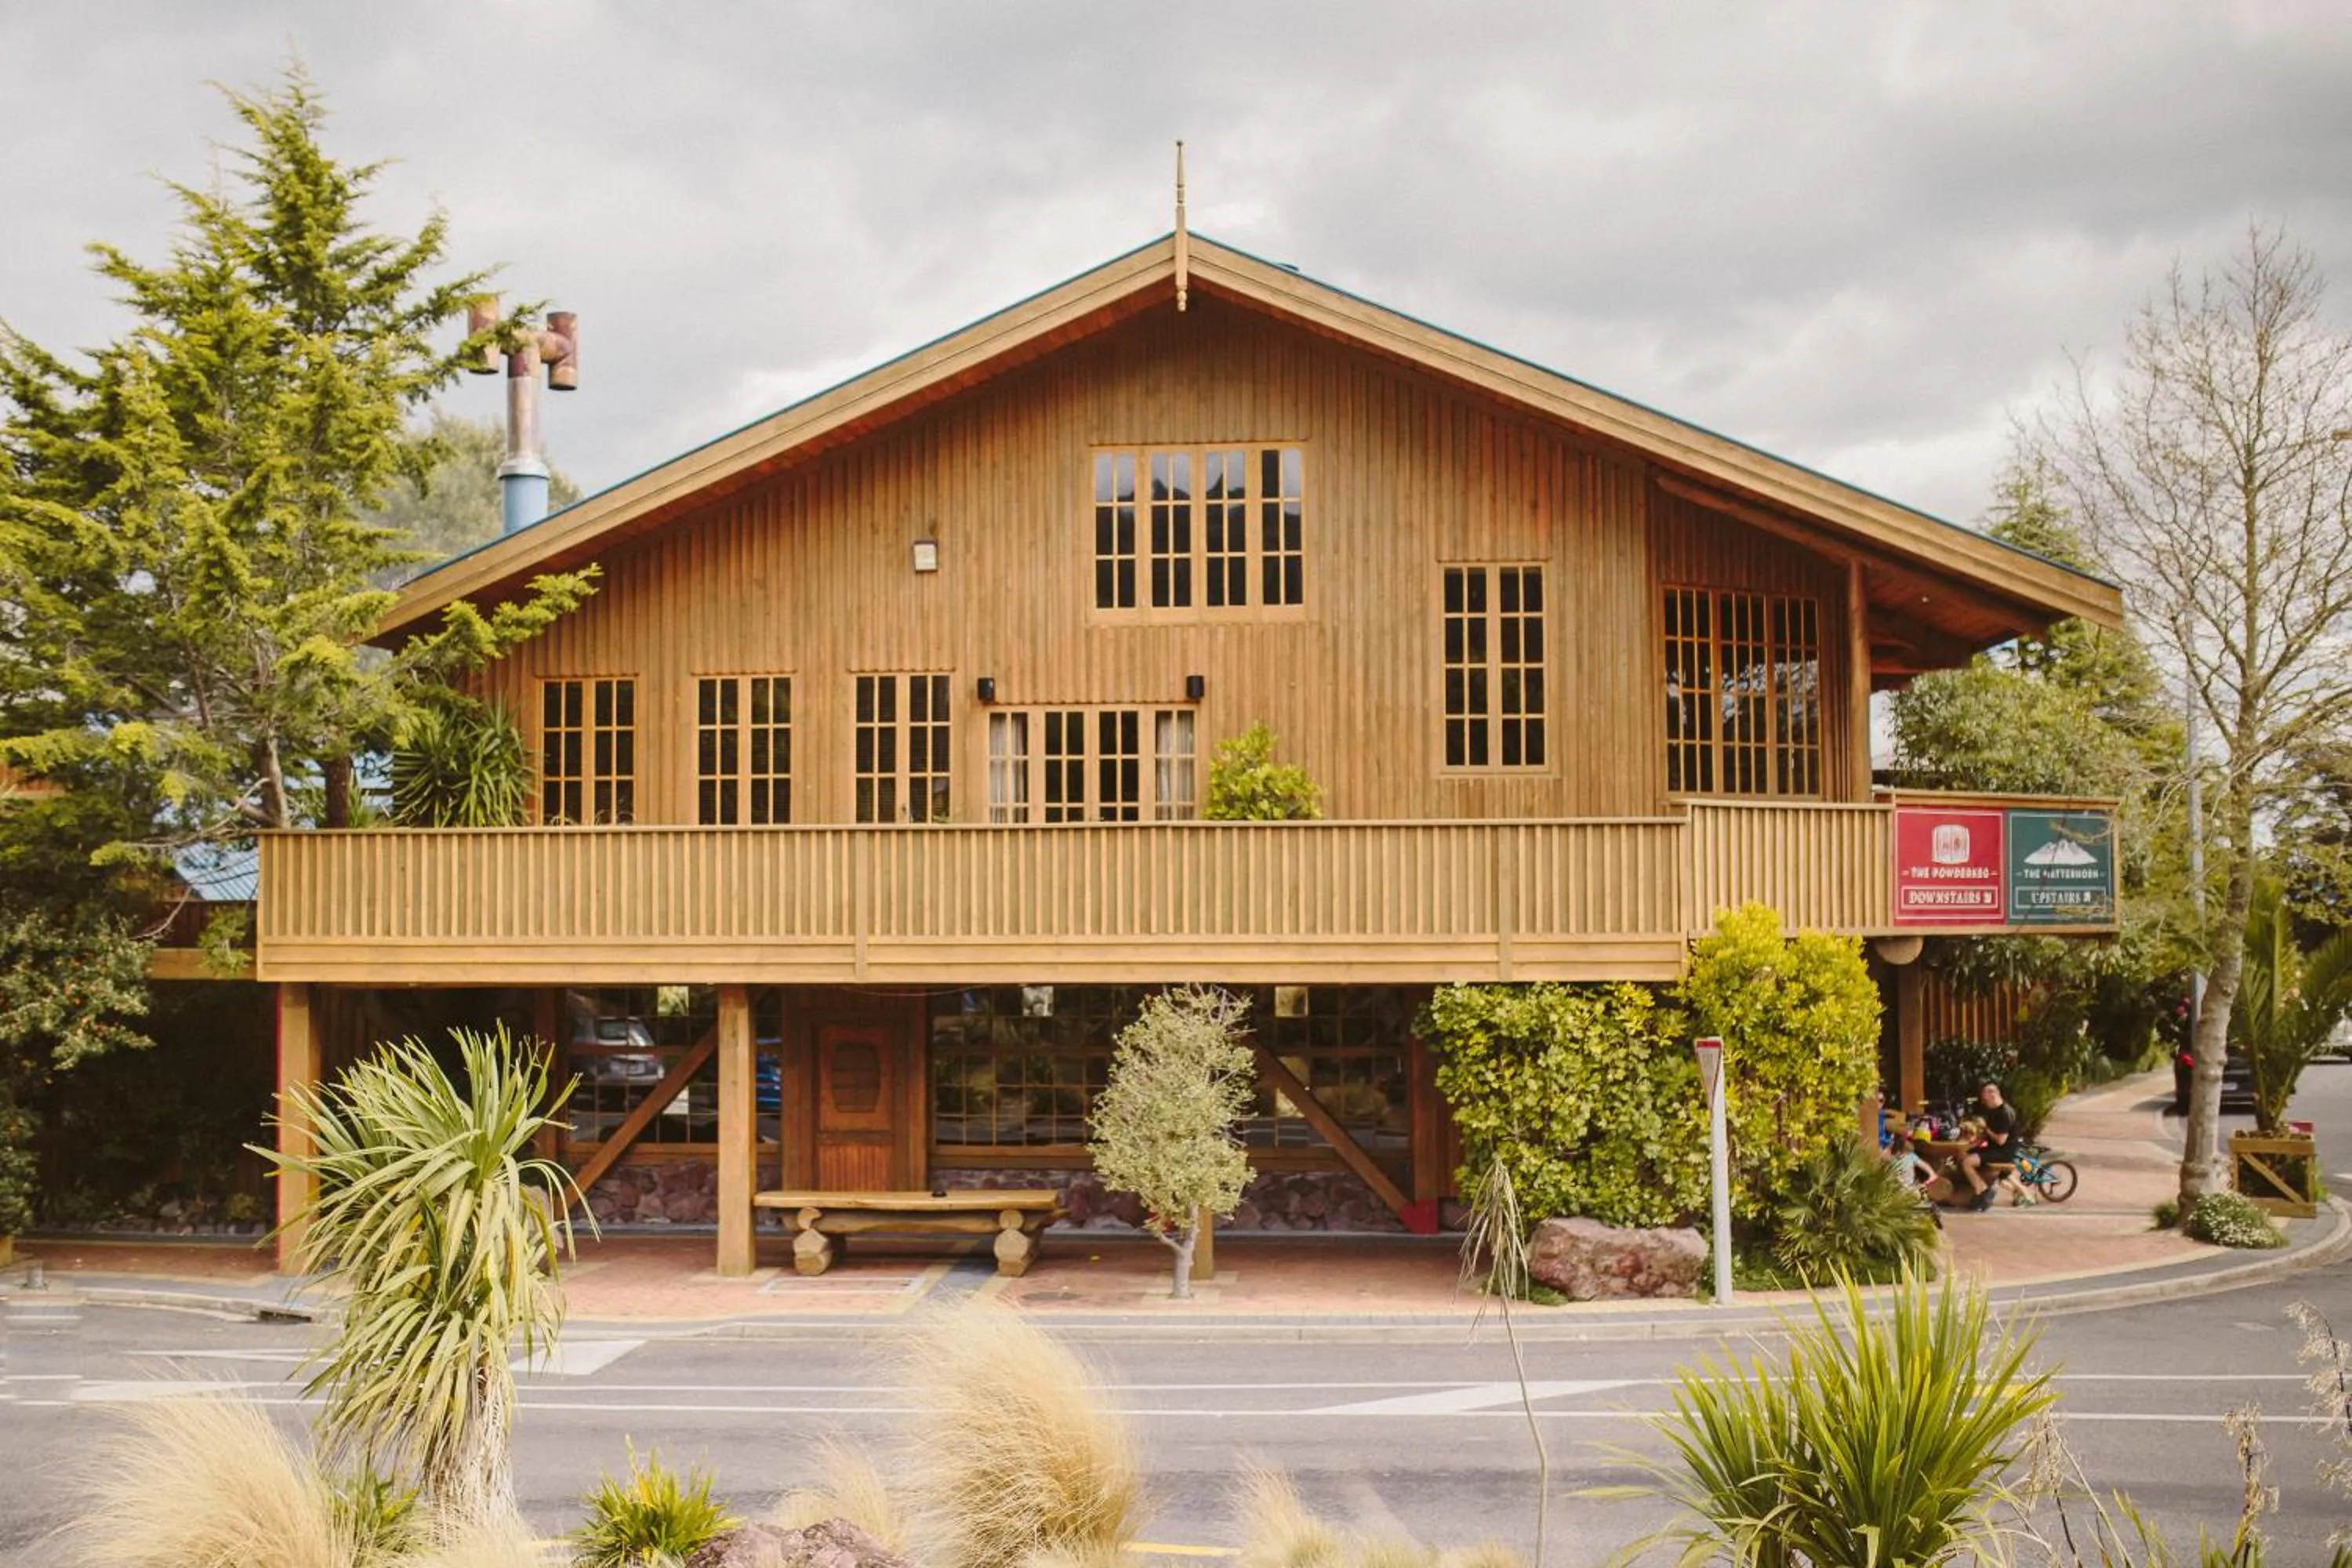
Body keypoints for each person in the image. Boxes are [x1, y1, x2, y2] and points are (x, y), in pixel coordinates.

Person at [1960, 1081, 2030, 1210]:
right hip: (1995, 1149)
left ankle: (1981, 1190)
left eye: (1985, 1098)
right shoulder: (1993, 1111)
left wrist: (1986, 1129)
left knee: (1968, 1162)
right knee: (1964, 1155)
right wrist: (1971, 1145)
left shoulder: (2005, 1113)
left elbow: (2001, 1140)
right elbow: (1986, 1136)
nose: (1984, 1102)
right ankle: (1980, 1188)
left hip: (2004, 1152)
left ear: (1993, 1095)